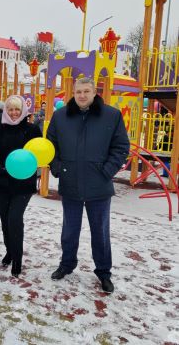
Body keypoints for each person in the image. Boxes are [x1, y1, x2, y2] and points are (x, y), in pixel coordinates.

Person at [47, 77, 130, 293]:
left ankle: (103, 272)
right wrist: (58, 169)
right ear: (73, 93)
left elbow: (121, 147)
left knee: (100, 232)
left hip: (98, 186)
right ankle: (67, 264)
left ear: (95, 93)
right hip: (71, 183)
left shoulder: (111, 115)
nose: (82, 95)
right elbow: (50, 146)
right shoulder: (61, 116)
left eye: (86, 91)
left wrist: (107, 171)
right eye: (78, 92)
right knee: (69, 229)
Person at [0, 95, 41, 277]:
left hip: (23, 185)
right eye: (10, 109)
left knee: (15, 219)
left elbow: (38, 156)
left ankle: (17, 259)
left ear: (23, 111)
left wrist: (27, 170)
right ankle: (9, 251)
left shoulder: (32, 130)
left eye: (17, 109)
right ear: (6, 111)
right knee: (5, 220)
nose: (14, 113)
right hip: (2, 182)